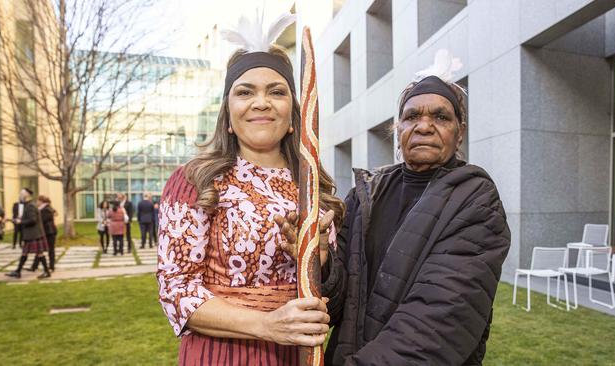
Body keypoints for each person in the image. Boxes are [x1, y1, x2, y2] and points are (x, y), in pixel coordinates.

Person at [156, 12, 344, 365]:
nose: (261, 102)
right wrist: (268, 325)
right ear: (228, 114)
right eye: (245, 92)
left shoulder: (313, 187)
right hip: (225, 353)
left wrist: (316, 257)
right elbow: (176, 291)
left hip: (301, 352)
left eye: (276, 91)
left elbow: (333, 286)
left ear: (293, 114)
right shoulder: (197, 180)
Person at [310, 72, 511, 365]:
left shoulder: (476, 200)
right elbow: (337, 303)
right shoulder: (365, 194)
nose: (425, 126)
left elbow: (439, 323)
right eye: (412, 116)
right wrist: (323, 264)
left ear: (460, 132)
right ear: (398, 127)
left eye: (441, 117)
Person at [6, 188, 51, 279]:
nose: (20, 195)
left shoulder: (30, 206)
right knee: (29, 253)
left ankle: (45, 272)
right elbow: (24, 219)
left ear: (27, 195)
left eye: (22, 193)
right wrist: (12, 220)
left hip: (33, 234)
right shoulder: (29, 205)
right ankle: (18, 271)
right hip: (33, 234)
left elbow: (32, 220)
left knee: (35, 253)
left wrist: (20, 222)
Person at [37, 195, 57, 272]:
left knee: (50, 249)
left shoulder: (46, 209)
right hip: (46, 231)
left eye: (38, 201)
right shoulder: (44, 208)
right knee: (40, 249)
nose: (37, 202)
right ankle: (34, 266)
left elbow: (43, 220)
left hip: (50, 232)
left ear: (41, 201)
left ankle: (52, 266)